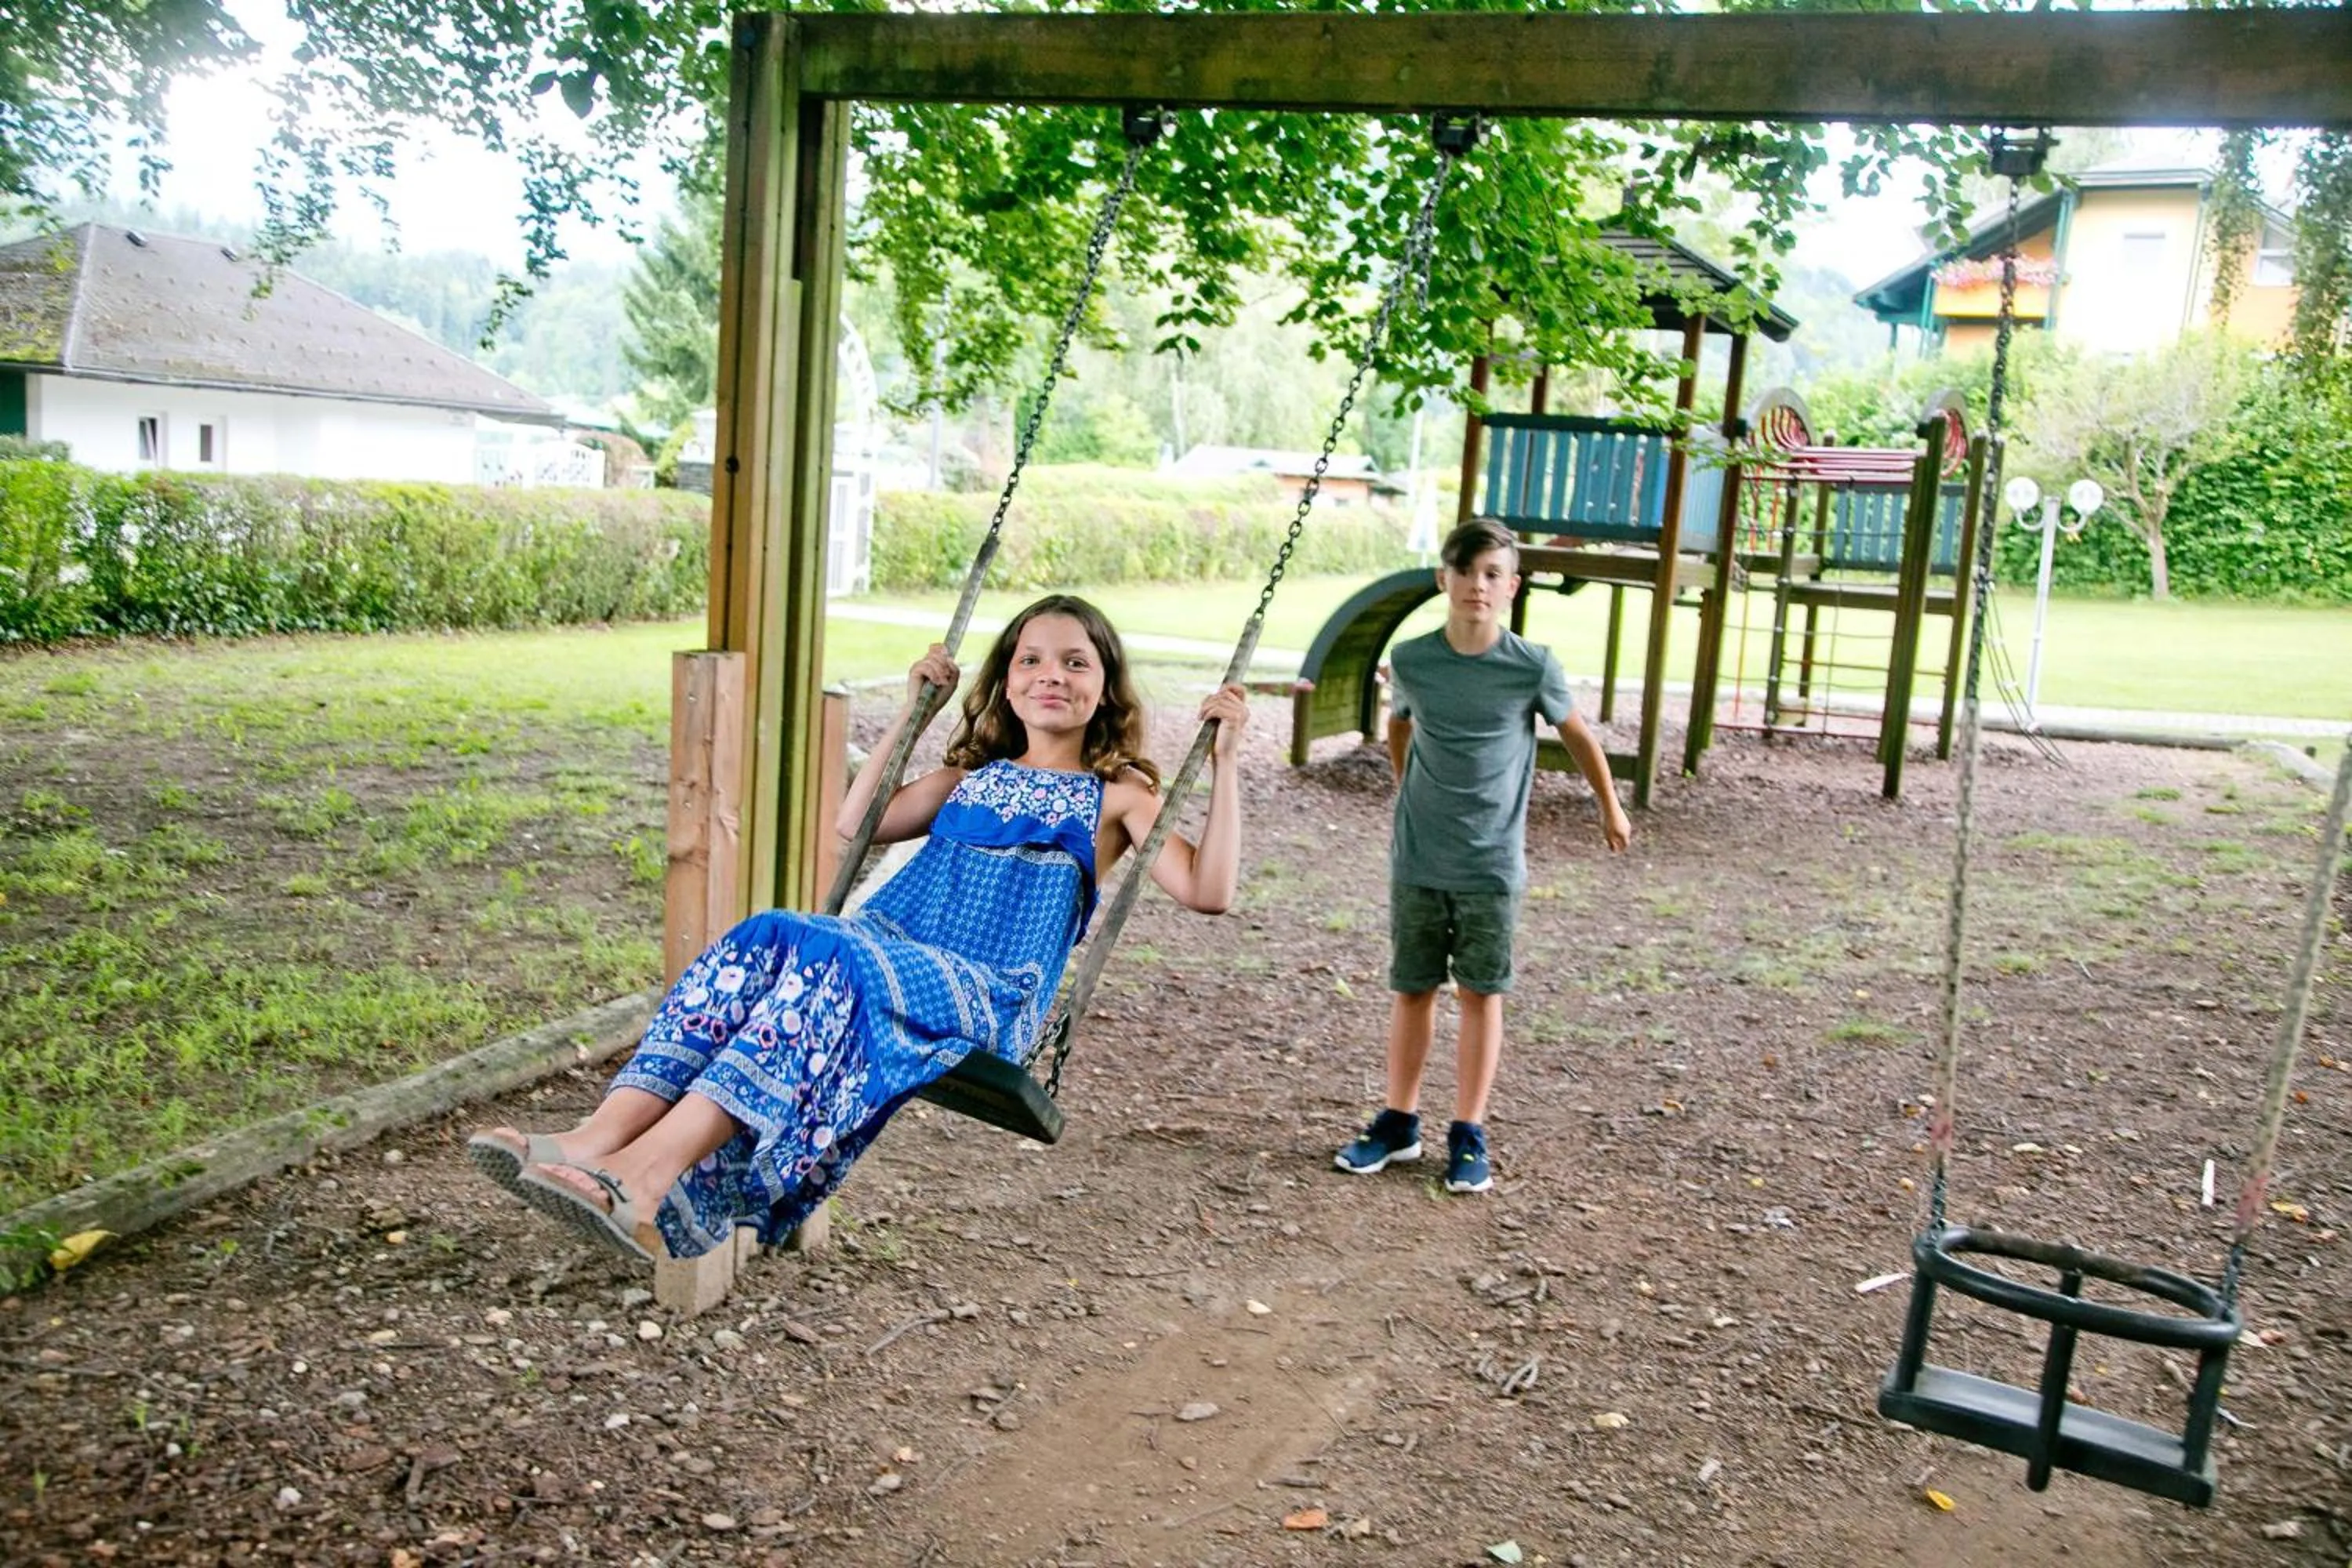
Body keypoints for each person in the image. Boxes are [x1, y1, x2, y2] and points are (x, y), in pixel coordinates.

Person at [468, 594, 1250, 1261]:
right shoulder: (967, 779)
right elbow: (858, 819)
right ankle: (592, 1141)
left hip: (987, 993)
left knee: (835, 954)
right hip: (888, 954)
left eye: (1077, 662)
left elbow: (1207, 890)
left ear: (1106, 686)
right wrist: (916, 715)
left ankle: (644, 1178)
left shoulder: (1119, 796)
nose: (1053, 674)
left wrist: (1226, 761)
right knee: (773, 930)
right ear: (1006, 684)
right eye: (1032, 660)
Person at [1334, 520, 1630, 1194]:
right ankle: (1398, 1122)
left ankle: (1467, 1130)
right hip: (1418, 857)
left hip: (1490, 863)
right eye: (1466, 573)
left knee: (1478, 991)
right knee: (1411, 988)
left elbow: (1578, 736)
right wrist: (1406, 787)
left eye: (1493, 574)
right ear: (1445, 580)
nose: (1478, 586)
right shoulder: (1412, 659)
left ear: (1512, 588)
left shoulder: (1531, 665)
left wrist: (1608, 805)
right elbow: (1400, 723)